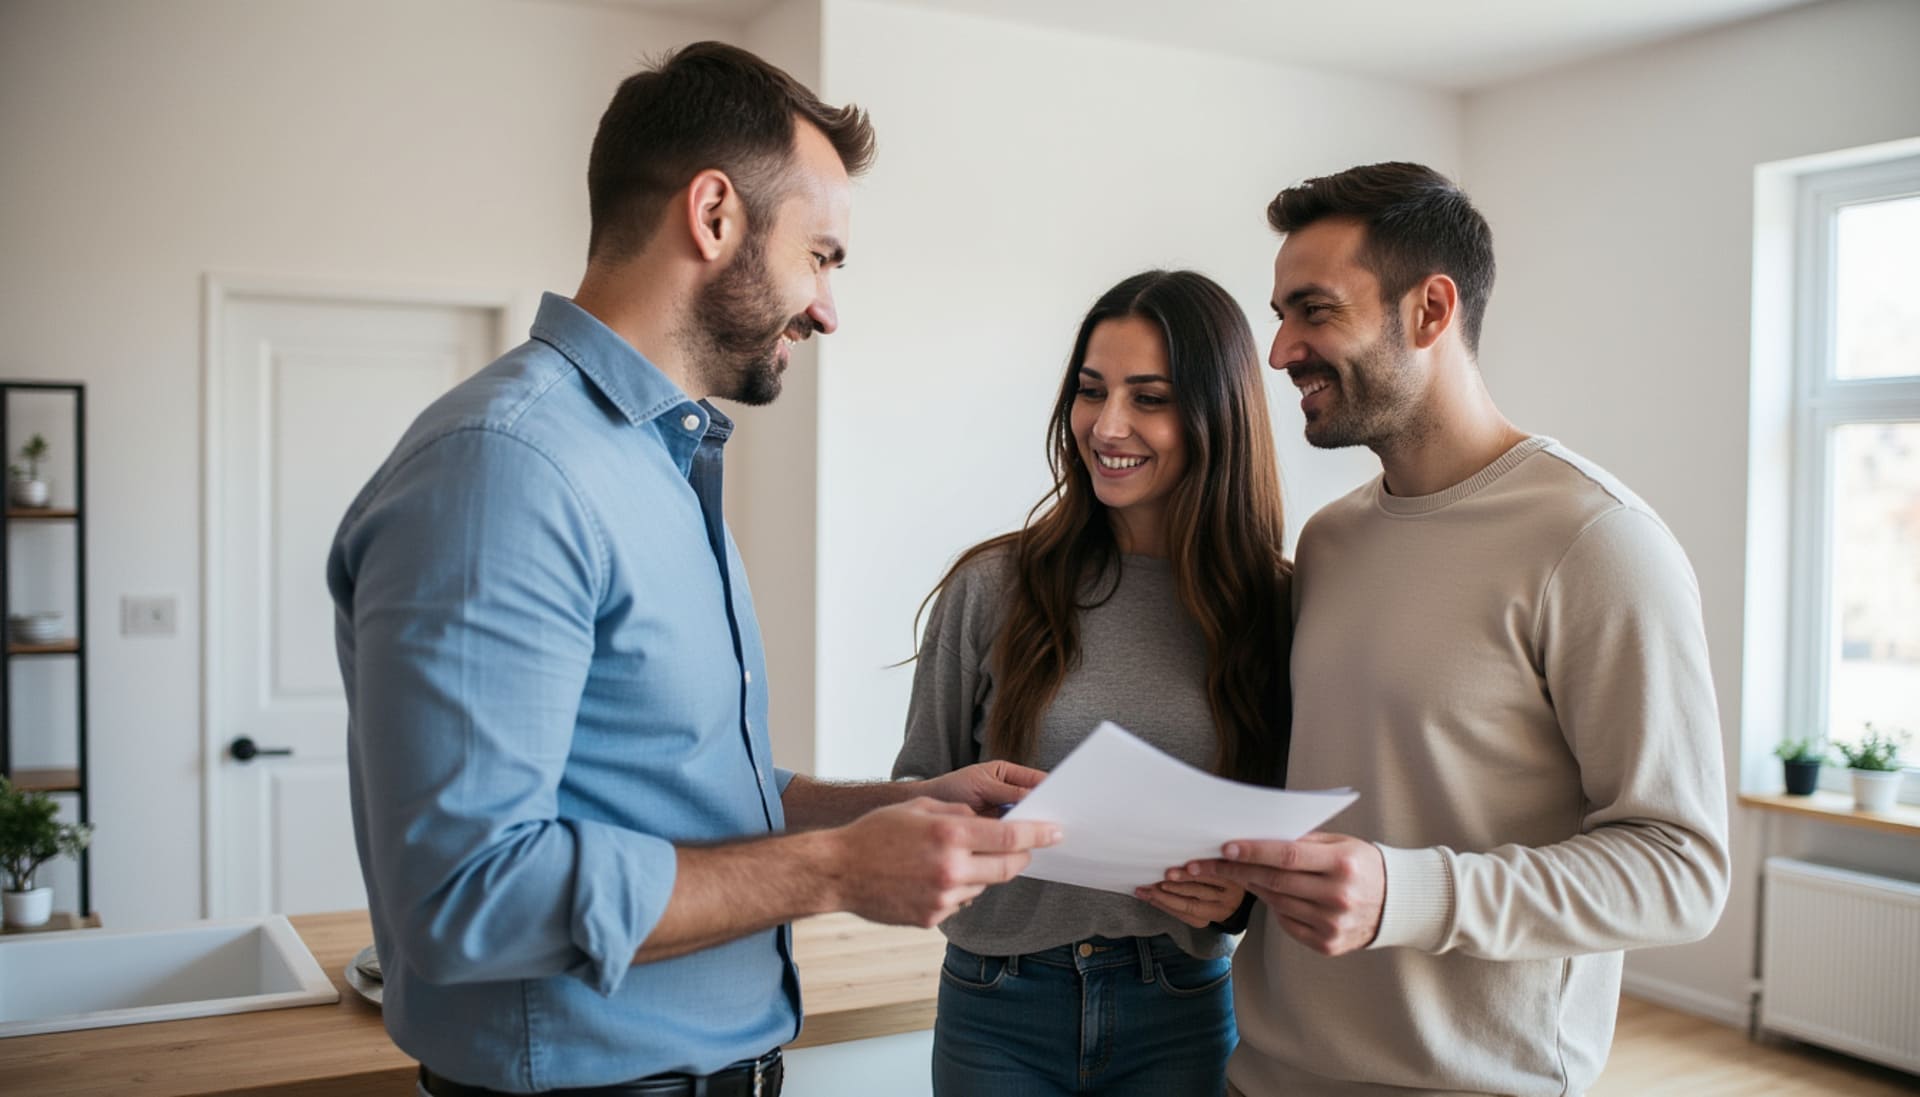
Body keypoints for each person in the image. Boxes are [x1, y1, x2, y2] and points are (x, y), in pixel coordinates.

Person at [327, 42, 1059, 1097]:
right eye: (823, 255)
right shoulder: (509, 468)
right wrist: (843, 871)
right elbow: (464, 896)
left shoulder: (656, 460)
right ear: (714, 216)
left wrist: (883, 808)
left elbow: (669, 787)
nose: (828, 307)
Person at [1169, 161, 1730, 1097]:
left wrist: (1411, 894)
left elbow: (1680, 868)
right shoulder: (1331, 539)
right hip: (1260, 1074)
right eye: (1279, 314)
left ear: (1431, 310)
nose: (1278, 351)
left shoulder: (1596, 541)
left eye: (1312, 310)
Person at [893, 269, 1293, 1097]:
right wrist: (954, 824)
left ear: (1216, 414)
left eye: (1149, 397)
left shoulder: (1277, 606)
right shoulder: (991, 584)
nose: (1106, 425)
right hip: (997, 999)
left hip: (1179, 1003)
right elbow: (914, 794)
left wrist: (1238, 899)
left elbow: (1290, 831)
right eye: (1090, 390)